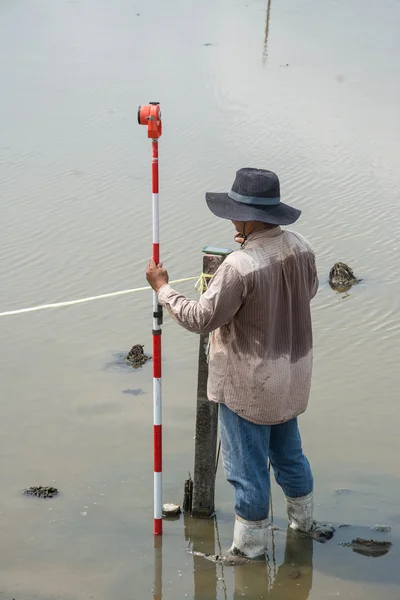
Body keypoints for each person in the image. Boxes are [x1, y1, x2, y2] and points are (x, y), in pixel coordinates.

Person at [146, 167, 334, 559]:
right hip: (292, 375)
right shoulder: (301, 246)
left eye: (235, 212)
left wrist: (164, 289)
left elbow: (201, 318)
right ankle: (304, 525)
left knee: (246, 472)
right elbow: (310, 291)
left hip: (249, 384)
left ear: (250, 217)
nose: (231, 218)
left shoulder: (237, 266)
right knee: (289, 456)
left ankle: (248, 550)